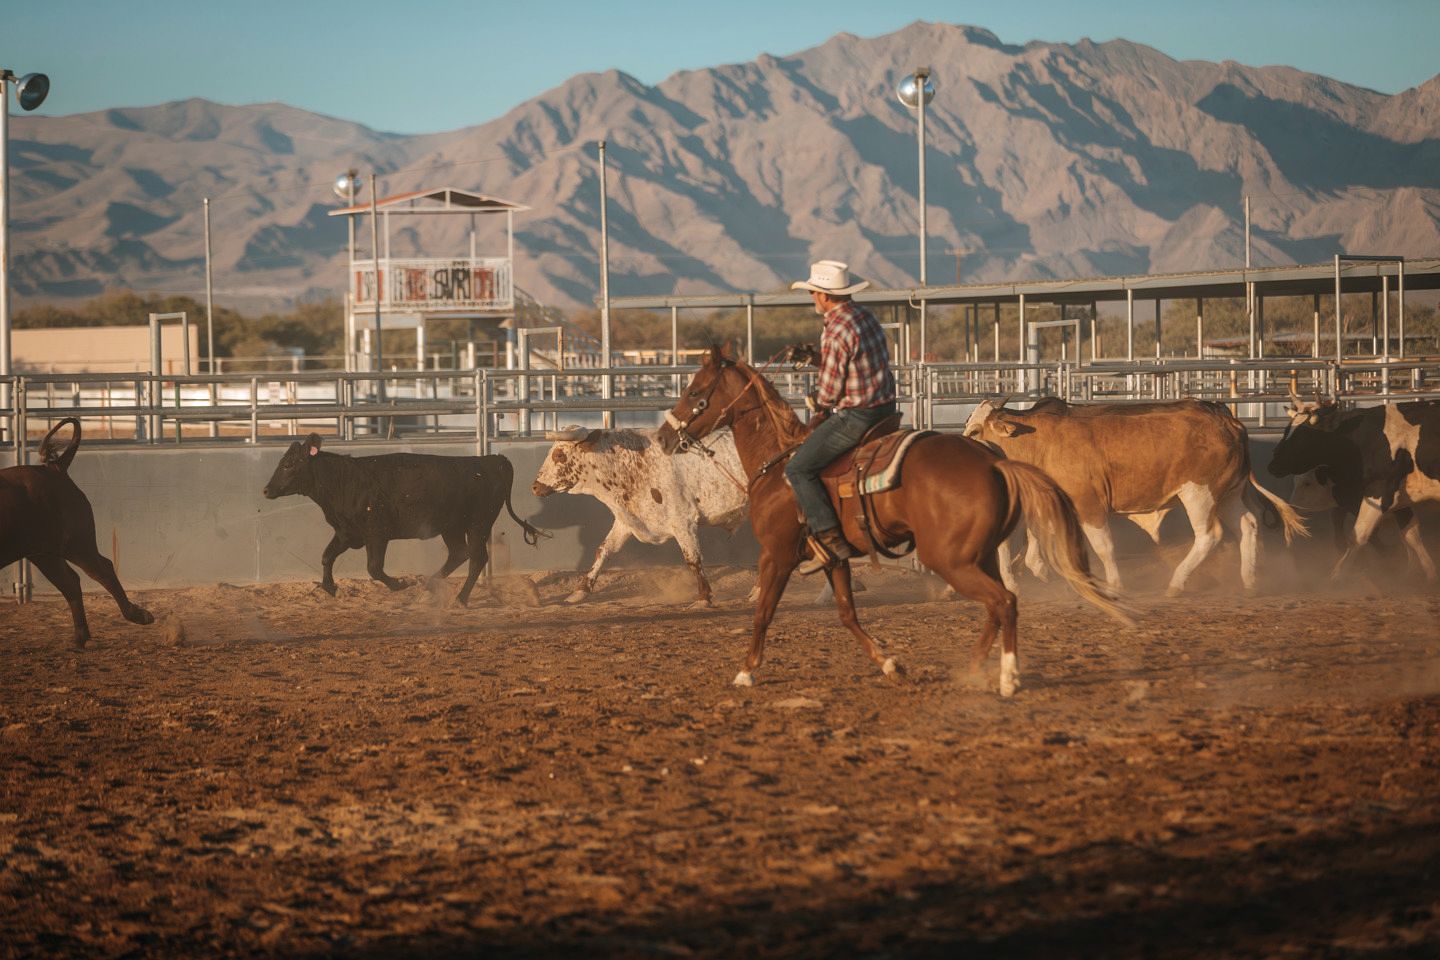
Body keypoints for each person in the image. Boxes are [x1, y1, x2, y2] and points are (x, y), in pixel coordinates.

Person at [784, 260, 897, 575]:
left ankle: (830, 539)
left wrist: (818, 405)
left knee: (799, 468)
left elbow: (830, 392)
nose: (812, 298)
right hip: (885, 410)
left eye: (813, 293)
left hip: (857, 415)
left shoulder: (836, 329)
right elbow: (856, 361)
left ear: (823, 295)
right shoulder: (865, 317)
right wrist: (816, 359)